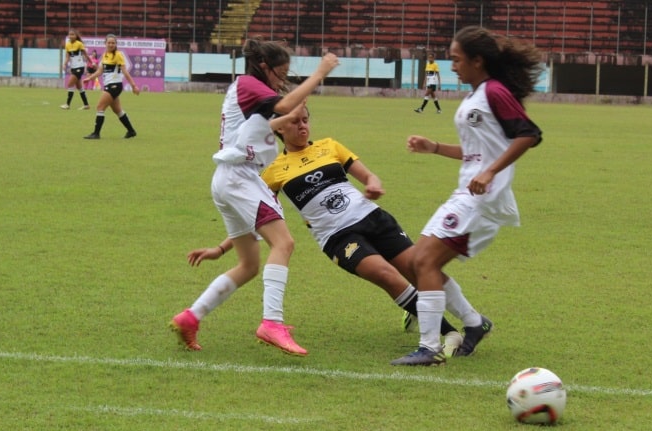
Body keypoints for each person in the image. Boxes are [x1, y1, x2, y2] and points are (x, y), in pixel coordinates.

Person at [187, 105, 466, 359]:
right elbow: (256, 216)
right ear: (280, 127)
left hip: (372, 218)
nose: (303, 126)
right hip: (337, 237)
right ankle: (448, 332)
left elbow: (369, 176)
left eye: (306, 120)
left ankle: (468, 321)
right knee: (385, 274)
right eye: (295, 122)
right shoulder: (272, 170)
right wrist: (221, 248)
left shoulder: (328, 146)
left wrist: (373, 183)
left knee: (416, 268)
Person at [170, 40, 339, 356]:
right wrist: (320, 73)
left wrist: (220, 248)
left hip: (229, 179)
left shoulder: (249, 93)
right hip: (239, 177)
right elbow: (286, 107)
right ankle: (271, 323)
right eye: (281, 73)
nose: (281, 79)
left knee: (248, 265)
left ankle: (190, 317)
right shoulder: (249, 84)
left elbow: (268, 123)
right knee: (284, 243)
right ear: (264, 66)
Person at [391, 26, 544, 366]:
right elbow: (479, 152)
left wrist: (490, 173)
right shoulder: (476, 95)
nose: (452, 66)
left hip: (482, 197)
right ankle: (474, 324)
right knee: (419, 262)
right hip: (467, 192)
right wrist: (434, 148)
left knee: (424, 261)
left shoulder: (494, 92)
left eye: (457, 59)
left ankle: (430, 348)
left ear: (478, 60)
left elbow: (529, 135)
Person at [81, 34, 140, 140]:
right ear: (105, 43)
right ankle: (131, 131)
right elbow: (100, 71)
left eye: (113, 42)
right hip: (109, 85)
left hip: (114, 85)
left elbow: (125, 71)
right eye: (109, 42)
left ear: (116, 44)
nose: (111, 44)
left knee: (100, 107)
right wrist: (90, 78)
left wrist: (133, 86)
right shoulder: (105, 55)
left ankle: (96, 133)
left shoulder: (118, 55)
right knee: (118, 111)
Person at [61, 29, 91, 110]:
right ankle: (86, 105)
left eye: (72, 34)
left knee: (70, 84)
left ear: (76, 36)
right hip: (73, 67)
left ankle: (67, 104)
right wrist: (64, 64)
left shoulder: (79, 44)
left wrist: (91, 62)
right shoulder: (67, 45)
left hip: (79, 67)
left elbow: (85, 54)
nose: (71, 36)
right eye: (69, 35)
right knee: (79, 87)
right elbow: (67, 57)